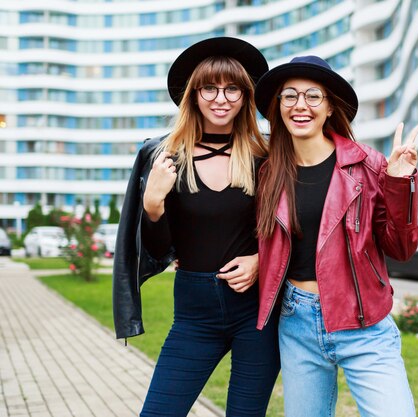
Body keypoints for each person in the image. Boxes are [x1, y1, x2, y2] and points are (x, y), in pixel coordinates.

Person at [112, 37, 280, 417]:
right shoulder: (163, 155)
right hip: (194, 312)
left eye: (232, 88)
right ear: (194, 94)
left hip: (256, 311)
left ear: (245, 96)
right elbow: (156, 249)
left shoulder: (266, 154)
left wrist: (259, 259)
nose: (221, 99)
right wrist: (153, 205)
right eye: (210, 88)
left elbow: (291, 226)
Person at [253, 55, 418, 417]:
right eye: (290, 96)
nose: (301, 105)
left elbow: (401, 248)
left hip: (364, 323)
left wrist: (398, 182)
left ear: (329, 107)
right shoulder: (268, 173)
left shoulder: (370, 165)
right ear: (278, 106)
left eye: (313, 96)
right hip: (296, 322)